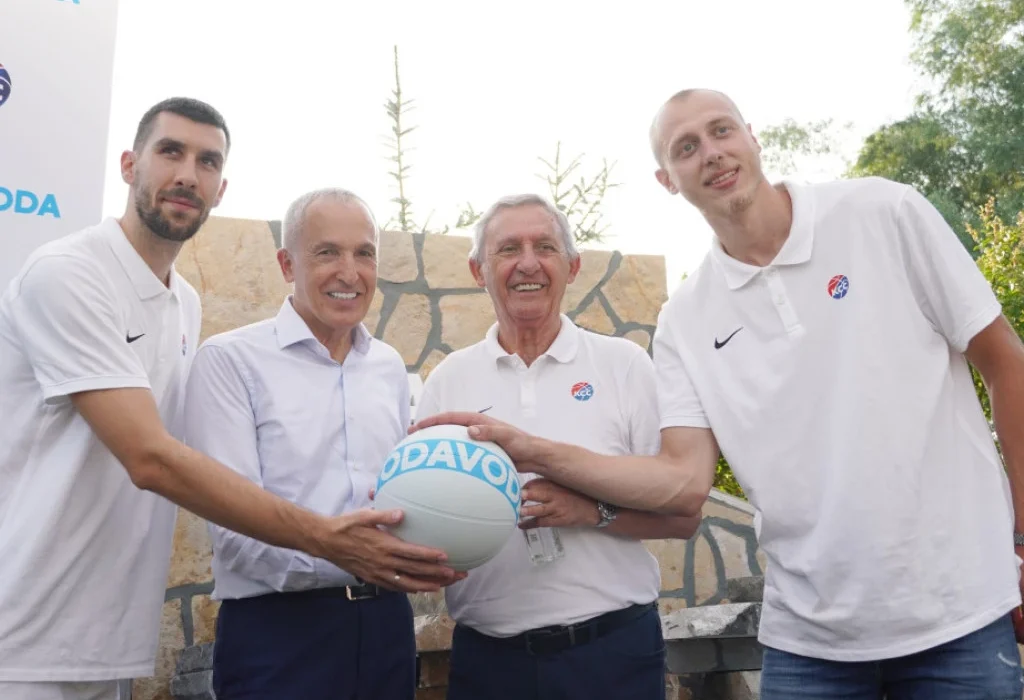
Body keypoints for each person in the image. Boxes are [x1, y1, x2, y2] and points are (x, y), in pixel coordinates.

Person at [415, 90, 1024, 699]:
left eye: (721, 131)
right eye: (686, 147)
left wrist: (1022, 535)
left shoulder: (883, 212)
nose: (710, 153)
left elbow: (1006, 363)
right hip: (808, 641)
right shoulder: (685, 319)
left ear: (752, 136)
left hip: (961, 614)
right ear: (667, 179)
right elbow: (685, 482)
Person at [0, 99, 458, 700]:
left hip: (104, 639)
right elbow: (150, 459)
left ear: (221, 189)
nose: (188, 175)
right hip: (24, 634)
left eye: (208, 161)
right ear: (129, 165)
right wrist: (330, 540)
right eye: (171, 152)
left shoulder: (183, 303)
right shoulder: (68, 274)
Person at [414, 193, 701, 700]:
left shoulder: (624, 366)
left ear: (572, 266)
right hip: (488, 663)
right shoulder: (448, 381)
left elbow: (684, 516)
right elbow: (424, 510)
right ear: (479, 270)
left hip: (612, 656)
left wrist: (591, 512)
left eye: (544, 247)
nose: (528, 263)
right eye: (508, 249)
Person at [183, 188, 439, 700]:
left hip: (387, 628)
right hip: (278, 637)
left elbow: (399, 497)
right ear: (287, 264)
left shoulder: (388, 366)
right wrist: (353, 557)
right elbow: (233, 531)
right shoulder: (231, 361)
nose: (350, 272)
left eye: (364, 253)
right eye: (327, 253)